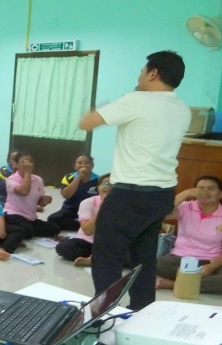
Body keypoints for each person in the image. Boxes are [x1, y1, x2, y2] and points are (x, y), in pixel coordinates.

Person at [79, 50, 191, 310]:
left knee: (107, 257)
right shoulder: (182, 109)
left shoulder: (136, 100)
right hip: (161, 194)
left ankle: (104, 314)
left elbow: (86, 123)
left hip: (130, 194)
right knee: (144, 258)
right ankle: (142, 311)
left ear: (153, 73)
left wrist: (108, 105)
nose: (139, 76)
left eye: (142, 71)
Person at [156, 176, 222, 295]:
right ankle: (208, 285)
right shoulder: (185, 207)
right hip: (180, 259)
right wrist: (186, 193)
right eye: (201, 188)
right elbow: (163, 214)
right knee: (158, 264)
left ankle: (171, 284)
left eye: (211, 188)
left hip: (210, 261)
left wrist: (211, 267)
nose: (205, 192)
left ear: (220, 194)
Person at [55, 174, 112, 266]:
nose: (108, 186)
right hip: (88, 242)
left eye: (113, 184)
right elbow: (88, 231)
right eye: (105, 183)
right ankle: (100, 258)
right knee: (63, 247)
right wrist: (103, 208)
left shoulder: (123, 206)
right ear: (98, 187)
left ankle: (92, 259)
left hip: (110, 244)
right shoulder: (87, 202)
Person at [4, 152, 61, 239]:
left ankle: (20, 231)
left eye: (30, 162)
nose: (28, 165)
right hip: (14, 214)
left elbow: (40, 203)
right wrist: (28, 173)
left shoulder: (38, 179)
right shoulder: (11, 179)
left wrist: (45, 200)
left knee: (55, 228)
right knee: (29, 230)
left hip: (30, 217)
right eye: (24, 162)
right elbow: (24, 192)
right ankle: (14, 229)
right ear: (16, 164)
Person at [48, 154, 99, 231]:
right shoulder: (68, 177)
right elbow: (66, 195)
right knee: (52, 219)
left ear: (92, 165)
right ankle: (83, 226)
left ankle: (85, 225)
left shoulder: (99, 179)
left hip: (90, 211)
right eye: (80, 163)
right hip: (71, 209)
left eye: (87, 163)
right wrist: (79, 177)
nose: (83, 165)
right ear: (75, 166)